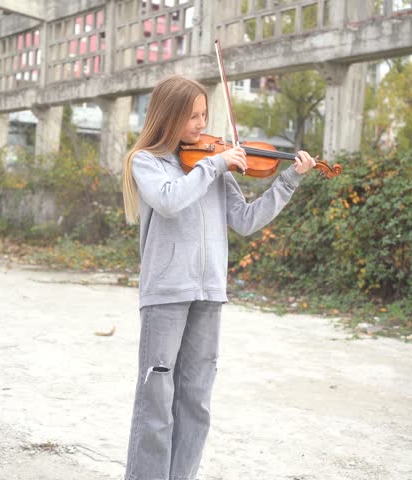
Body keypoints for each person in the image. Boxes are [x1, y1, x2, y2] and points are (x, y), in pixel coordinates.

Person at [121, 74, 315, 480]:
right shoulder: (148, 162)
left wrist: (289, 181)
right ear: (168, 116)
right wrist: (214, 164)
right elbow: (170, 201)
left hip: (209, 292)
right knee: (156, 400)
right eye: (192, 116)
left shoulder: (213, 164)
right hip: (165, 293)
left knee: (196, 401)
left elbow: (244, 221)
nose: (201, 125)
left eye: (204, 115)